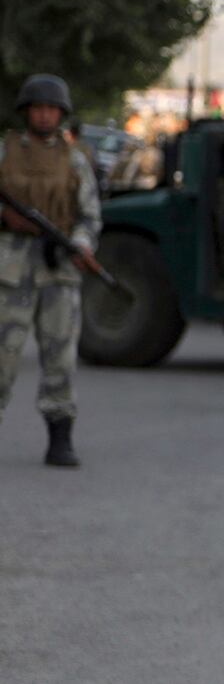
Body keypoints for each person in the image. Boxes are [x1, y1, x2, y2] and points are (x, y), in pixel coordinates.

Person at [0, 75, 102, 467]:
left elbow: (90, 215)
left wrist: (80, 243)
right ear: (26, 112)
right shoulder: (5, 151)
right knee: (3, 355)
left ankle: (60, 437)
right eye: (37, 108)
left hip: (58, 270)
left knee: (60, 355)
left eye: (51, 109)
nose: (44, 115)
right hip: (11, 269)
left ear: (61, 114)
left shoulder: (75, 159)